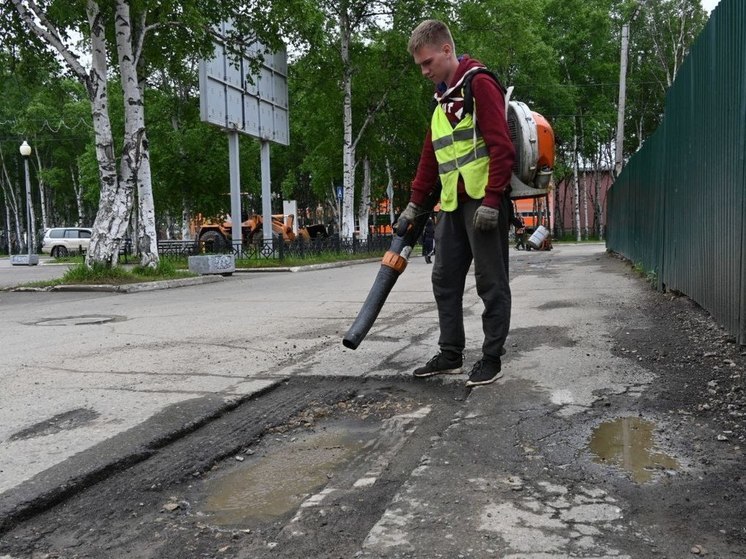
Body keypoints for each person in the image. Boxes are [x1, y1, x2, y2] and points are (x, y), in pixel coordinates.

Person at [399, 19, 515, 387]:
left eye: (427, 62)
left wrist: (493, 200)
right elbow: (430, 159)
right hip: (451, 204)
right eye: (420, 65)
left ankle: (492, 358)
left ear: (447, 50)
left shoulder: (479, 84)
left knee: (490, 282)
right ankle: (450, 354)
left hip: (484, 203)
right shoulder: (441, 100)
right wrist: (415, 205)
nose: (424, 71)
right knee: (444, 279)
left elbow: (502, 147)